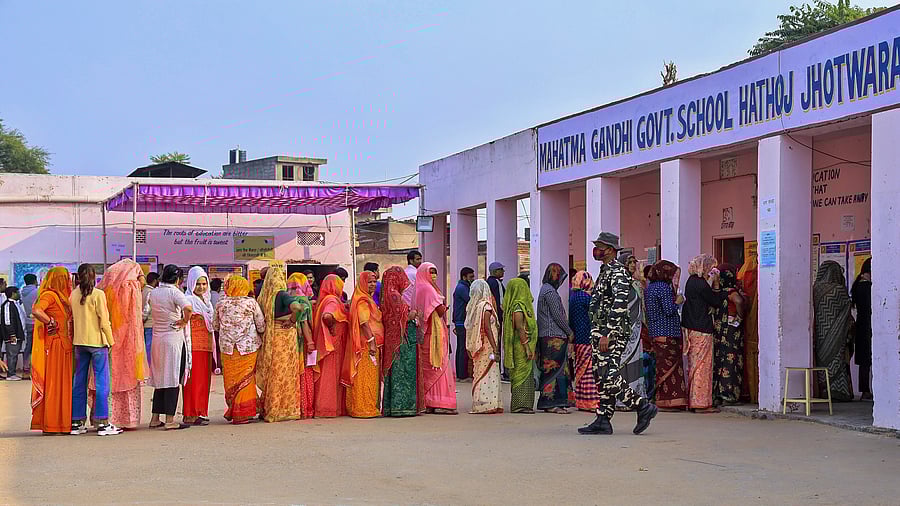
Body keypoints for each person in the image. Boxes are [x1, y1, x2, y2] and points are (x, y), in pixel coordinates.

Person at [578, 232, 656, 435]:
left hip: (610, 334)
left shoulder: (618, 273)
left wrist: (608, 333)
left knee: (608, 375)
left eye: (600, 246)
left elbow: (620, 305)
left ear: (611, 250)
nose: (597, 250)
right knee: (601, 375)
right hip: (600, 332)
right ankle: (603, 418)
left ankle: (642, 406)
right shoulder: (605, 271)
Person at [92, 259, 146, 430]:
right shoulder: (131, 287)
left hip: (105, 339)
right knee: (126, 375)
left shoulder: (102, 288)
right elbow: (135, 316)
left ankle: (103, 417)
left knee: (107, 378)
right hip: (128, 341)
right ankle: (127, 419)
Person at [69, 264, 122, 436]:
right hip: (97, 343)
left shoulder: (73, 294)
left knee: (79, 382)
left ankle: (77, 422)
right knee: (102, 383)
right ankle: (102, 422)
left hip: (79, 342)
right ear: (93, 277)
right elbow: (104, 321)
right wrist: (111, 341)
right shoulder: (98, 294)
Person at [256, 263, 306, 422]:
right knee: (285, 374)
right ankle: (283, 410)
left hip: (270, 339)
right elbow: (297, 307)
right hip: (284, 337)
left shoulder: (262, 297)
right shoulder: (282, 295)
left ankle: (268, 408)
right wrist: (292, 321)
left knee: (273, 373)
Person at [214, 275, 266, 424]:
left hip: (228, 349)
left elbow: (215, 326)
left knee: (231, 380)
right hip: (248, 348)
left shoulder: (221, 303)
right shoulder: (251, 303)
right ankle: (244, 412)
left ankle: (234, 409)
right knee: (247, 379)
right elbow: (261, 325)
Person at [148, 265, 193, 431]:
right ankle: (169, 419)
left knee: (160, 378)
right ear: (178, 279)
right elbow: (188, 308)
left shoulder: (154, 292)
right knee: (173, 377)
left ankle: (155, 418)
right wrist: (184, 321)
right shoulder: (174, 292)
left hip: (157, 338)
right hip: (173, 338)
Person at [29, 267, 74, 434]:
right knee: (56, 384)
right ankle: (52, 424)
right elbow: (36, 310)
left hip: (64, 346)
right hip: (56, 346)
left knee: (63, 385)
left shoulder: (63, 297)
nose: (68, 281)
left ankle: (61, 423)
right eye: (65, 278)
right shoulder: (50, 295)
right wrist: (50, 321)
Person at [681, 254, 726, 414]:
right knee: (703, 365)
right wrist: (716, 284)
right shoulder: (701, 284)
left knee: (694, 364)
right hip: (702, 327)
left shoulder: (690, 282)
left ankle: (693, 400)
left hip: (691, 326)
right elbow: (715, 301)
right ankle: (700, 403)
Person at [645, 260, 687, 411]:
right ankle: (672, 400)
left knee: (662, 367)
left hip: (656, 332)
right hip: (668, 332)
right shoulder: (663, 288)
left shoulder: (650, 288)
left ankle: (663, 399)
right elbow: (669, 310)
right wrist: (679, 301)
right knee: (672, 368)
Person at [415, 262, 457, 414]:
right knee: (441, 365)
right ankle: (443, 402)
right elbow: (439, 310)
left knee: (428, 367)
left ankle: (429, 402)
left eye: (435, 272)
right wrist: (444, 305)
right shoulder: (428, 289)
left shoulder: (418, 288)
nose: (433, 275)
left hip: (425, 333)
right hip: (434, 333)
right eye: (430, 272)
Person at [813, 260, 855, 402]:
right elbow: (847, 313)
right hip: (837, 335)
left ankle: (823, 391)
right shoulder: (839, 290)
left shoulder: (814, 289)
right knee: (837, 361)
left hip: (818, 335)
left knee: (821, 364)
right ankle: (838, 391)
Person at [344, 271, 383, 418]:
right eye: (369, 282)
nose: (373, 284)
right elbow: (364, 323)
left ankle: (367, 406)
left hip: (370, 343)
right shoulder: (362, 301)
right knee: (365, 376)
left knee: (370, 376)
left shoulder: (367, 299)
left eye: (374, 282)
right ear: (362, 283)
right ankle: (363, 407)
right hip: (366, 344)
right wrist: (372, 342)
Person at [536, 263, 574, 414]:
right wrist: (569, 331)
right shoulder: (550, 292)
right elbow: (557, 315)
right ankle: (550, 402)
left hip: (550, 335)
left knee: (556, 369)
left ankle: (557, 401)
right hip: (554, 336)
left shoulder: (545, 290)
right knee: (554, 370)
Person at [381, 266, 419, 417]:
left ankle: (392, 407)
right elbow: (404, 316)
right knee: (403, 371)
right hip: (401, 340)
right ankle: (402, 406)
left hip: (393, 339)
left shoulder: (386, 295)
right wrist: (414, 313)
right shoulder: (394, 295)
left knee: (394, 371)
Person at [312, 274, 349, 417]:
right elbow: (327, 316)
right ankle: (328, 408)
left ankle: (324, 408)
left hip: (327, 344)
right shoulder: (332, 300)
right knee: (331, 375)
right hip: (333, 344)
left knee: (326, 375)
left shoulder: (324, 300)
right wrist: (333, 326)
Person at [465, 279, 503, 414]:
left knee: (482, 372)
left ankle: (483, 403)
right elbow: (487, 327)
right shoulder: (486, 307)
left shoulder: (475, 306)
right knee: (489, 372)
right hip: (487, 346)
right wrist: (495, 347)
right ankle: (487, 404)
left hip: (480, 346)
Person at [182, 267, 214, 425]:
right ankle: (190, 413)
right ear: (191, 283)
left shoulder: (207, 302)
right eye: (198, 284)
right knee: (193, 381)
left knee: (204, 381)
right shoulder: (188, 299)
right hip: (193, 346)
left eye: (204, 284)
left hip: (206, 346)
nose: (201, 287)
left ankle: (201, 411)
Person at [615, 253, 647, 409]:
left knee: (634, 362)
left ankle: (635, 396)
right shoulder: (618, 283)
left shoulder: (635, 284)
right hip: (622, 331)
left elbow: (641, 307)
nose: (634, 264)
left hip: (636, 330)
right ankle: (622, 399)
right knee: (622, 363)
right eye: (630, 262)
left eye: (635, 261)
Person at [502, 277, 536, 413]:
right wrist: (526, 347)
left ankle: (524, 404)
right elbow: (520, 327)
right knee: (521, 374)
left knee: (527, 374)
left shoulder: (521, 305)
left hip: (523, 345)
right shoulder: (518, 306)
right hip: (521, 346)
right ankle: (519, 405)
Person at [712, 264, 745, 406]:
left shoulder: (716, 292)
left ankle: (718, 394)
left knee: (719, 360)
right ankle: (729, 395)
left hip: (719, 331)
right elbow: (738, 301)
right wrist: (740, 316)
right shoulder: (731, 291)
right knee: (731, 361)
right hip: (731, 331)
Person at [287, 272, 316, 418]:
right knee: (305, 373)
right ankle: (305, 407)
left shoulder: (286, 299)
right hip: (303, 342)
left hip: (289, 341)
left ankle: (294, 406)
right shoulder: (303, 301)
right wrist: (310, 342)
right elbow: (305, 323)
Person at [570, 271, 597, 411]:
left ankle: (581, 400)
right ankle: (590, 401)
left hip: (578, 338)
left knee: (580, 369)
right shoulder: (585, 297)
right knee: (589, 371)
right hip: (587, 336)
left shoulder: (573, 296)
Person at [737, 255, 759, 403]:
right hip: (757, 325)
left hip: (746, 327)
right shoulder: (759, 276)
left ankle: (751, 394)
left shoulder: (743, 276)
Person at [851, 257, 872, 400]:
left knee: (864, 361)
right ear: (866, 273)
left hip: (861, 325)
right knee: (870, 359)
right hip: (868, 325)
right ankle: (867, 390)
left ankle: (864, 390)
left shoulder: (857, 286)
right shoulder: (868, 287)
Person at [452, 267, 475, 381]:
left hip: (460, 321)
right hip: (462, 321)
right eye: (471, 277)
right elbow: (471, 300)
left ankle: (462, 373)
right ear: (464, 277)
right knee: (462, 348)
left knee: (461, 348)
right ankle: (462, 375)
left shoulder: (463, 287)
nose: (472, 279)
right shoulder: (462, 288)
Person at [486, 261, 507, 381]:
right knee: (496, 342)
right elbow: (500, 301)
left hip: (492, 316)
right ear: (495, 271)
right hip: (496, 317)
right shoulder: (496, 283)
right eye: (501, 270)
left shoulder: (490, 282)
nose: (503, 272)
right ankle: (496, 368)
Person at [1, 287, 26, 380]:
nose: (19, 294)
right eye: (17, 292)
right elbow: (7, 321)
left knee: (14, 354)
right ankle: (10, 374)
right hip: (12, 335)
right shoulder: (7, 305)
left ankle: (13, 373)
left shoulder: (16, 304)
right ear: (13, 294)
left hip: (18, 334)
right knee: (11, 354)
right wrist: (12, 334)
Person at [21, 273, 39, 379]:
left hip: (28, 322)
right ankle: (36, 369)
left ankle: (25, 367)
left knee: (28, 346)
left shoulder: (22, 292)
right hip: (37, 322)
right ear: (34, 281)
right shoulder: (37, 292)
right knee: (37, 346)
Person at [142, 272, 160, 367]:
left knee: (146, 347)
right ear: (154, 281)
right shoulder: (151, 292)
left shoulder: (142, 291)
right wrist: (143, 318)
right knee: (149, 348)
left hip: (144, 324)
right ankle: (149, 368)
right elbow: (147, 308)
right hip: (149, 323)